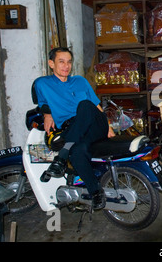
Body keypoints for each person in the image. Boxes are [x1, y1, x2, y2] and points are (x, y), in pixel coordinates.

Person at [34, 47, 115, 210]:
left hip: (94, 123)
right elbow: (42, 103)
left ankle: (61, 157)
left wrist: (109, 128)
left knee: (84, 105)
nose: (66, 66)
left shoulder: (80, 81)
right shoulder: (42, 84)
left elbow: (96, 106)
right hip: (76, 131)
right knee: (77, 152)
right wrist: (47, 115)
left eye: (69, 62)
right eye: (61, 62)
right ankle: (96, 192)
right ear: (51, 63)